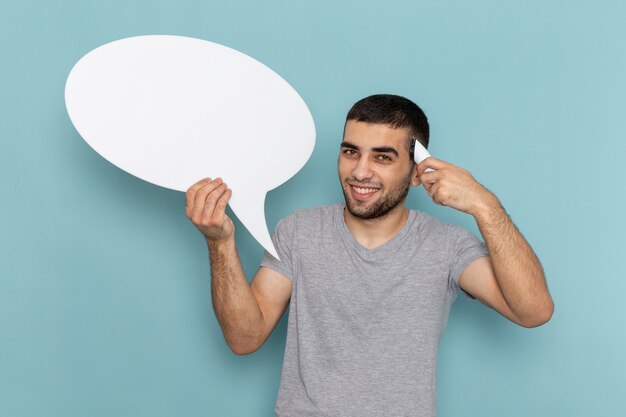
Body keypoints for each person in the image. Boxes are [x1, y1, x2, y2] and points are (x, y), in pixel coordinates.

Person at [186, 94, 554, 417]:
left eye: (382, 157)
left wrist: (484, 205)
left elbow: (534, 311)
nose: (360, 171)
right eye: (350, 152)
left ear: (415, 173)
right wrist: (220, 243)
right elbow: (244, 339)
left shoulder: (446, 246)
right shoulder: (298, 231)